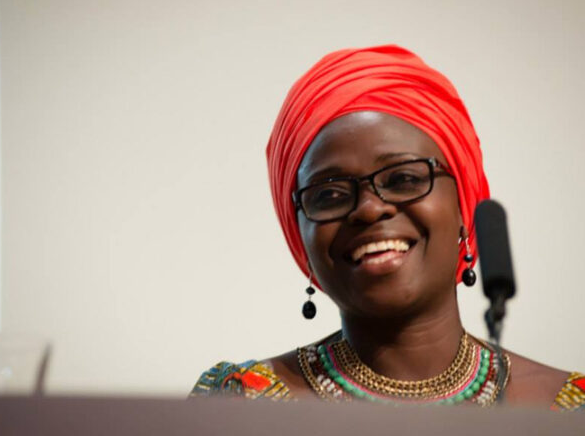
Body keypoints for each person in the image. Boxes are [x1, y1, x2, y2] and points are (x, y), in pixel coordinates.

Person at [190, 45, 584, 410]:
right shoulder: (242, 406)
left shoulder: (567, 411)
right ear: (300, 235)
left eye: (404, 179)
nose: (368, 209)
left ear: (464, 206)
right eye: (329, 195)